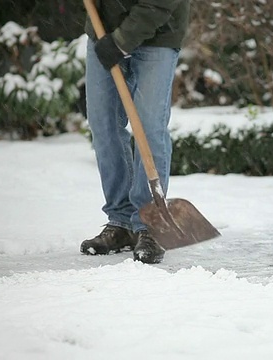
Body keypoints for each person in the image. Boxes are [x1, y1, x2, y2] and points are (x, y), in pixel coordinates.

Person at [80, 0, 190, 264]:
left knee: (149, 127)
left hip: (158, 33)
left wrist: (121, 41)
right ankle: (120, 222)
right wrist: (110, 38)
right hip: (103, 28)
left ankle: (150, 225)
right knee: (103, 125)